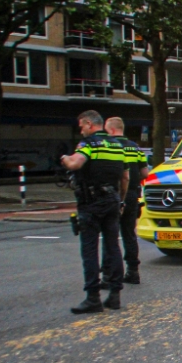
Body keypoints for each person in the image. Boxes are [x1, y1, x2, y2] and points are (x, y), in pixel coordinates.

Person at [61, 110, 129, 314]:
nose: (81, 130)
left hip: (91, 203)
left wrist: (64, 157)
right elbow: (125, 177)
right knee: (113, 246)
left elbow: (75, 164)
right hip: (112, 201)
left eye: (82, 126)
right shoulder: (118, 145)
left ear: (90, 124)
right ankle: (115, 295)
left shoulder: (88, 144)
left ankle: (93, 298)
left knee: (89, 250)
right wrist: (121, 200)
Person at [105, 117, 149, 284]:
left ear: (111, 130)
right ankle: (133, 270)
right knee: (129, 234)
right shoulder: (135, 147)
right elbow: (145, 173)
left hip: (115, 195)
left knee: (110, 235)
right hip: (132, 195)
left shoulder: (110, 146)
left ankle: (110, 274)